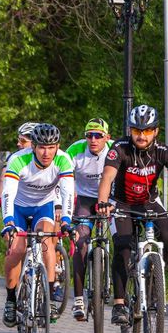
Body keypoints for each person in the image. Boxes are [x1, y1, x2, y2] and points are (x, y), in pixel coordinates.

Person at [96, 105, 168, 325]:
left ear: (156, 131)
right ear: (130, 130)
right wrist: (102, 202)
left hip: (149, 202)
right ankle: (119, 304)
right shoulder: (119, 148)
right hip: (122, 204)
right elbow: (107, 177)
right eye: (137, 130)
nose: (142, 136)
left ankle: (155, 280)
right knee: (123, 248)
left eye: (147, 131)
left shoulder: (163, 151)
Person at [0, 123, 75, 327]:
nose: (46, 153)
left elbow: (68, 192)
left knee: (47, 242)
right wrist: (8, 222)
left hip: (44, 206)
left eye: (51, 148)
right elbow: (8, 193)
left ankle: (49, 298)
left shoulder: (63, 159)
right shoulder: (18, 160)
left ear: (57, 146)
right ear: (33, 146)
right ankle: (10, 299)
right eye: (42, 147)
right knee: (17, 250)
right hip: (19, 207)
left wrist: (67, 220)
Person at [65, 118, 113, 320]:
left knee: (123, 238)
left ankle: (124, 292)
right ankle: (78, 299)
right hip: (84, 199)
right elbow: (62, 177)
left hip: (110, 198)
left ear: (107, 137)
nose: (93, 139)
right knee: (82, 240)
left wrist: (113, 203)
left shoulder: (114, 150)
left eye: (98, 135)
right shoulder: (75, 150)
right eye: (89, 135)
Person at [0, 122, 38, 199]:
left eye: (23, 141)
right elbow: (2, 179)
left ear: (34, 142)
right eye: (18, 140)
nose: (18, 143)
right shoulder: (14, 156)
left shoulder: (15, 156)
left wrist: (1, 199)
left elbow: (2, 179)